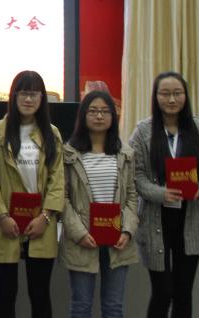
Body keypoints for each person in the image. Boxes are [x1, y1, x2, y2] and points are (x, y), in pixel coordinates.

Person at [129, 72, 199, 318]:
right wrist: (160, 193)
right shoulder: (143, 132)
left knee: (183, 291)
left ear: (185, 96)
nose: (171, 99)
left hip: (190, 218)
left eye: (177, 93)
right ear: (155, 97)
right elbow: (136, 175)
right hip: (155, 219)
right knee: (163, 291)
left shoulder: (197, 129)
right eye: (165, 93)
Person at [0, 70, 64, 318]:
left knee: (40, 294)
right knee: (6, 293)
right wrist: (2, 216)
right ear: (14, 96)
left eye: (34, 94)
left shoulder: (52, 133)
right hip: (5, 224)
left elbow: (57, 179)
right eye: (23, 93)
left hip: (41, 224)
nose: (28, 99)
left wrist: (46, 217)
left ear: (42, 98)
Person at [60, 91, 138, 318]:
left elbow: (132, 196)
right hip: (82, 239)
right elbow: (62, 197)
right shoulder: (68, 154)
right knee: (81, 306)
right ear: (83, 115)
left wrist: (128, 230)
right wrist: (79, 233)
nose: (99, 116)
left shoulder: (125, 153)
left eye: (105, 111)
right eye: (93, 111)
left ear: (113, 116)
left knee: (113, 307)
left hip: (118, 240)